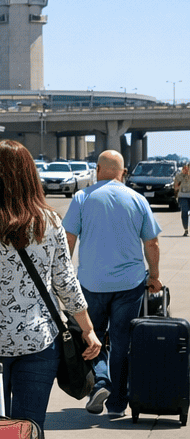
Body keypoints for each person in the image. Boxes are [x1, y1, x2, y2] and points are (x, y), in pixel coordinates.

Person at [0, 141, 101, 428]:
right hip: (39, 342)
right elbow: (65, 282)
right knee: (30, 430)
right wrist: (88, 329)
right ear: (30, 174)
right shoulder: (49, 221)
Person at [63, 150, 163, 420]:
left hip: (91, 283)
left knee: (90, 336)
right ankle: (118, 403)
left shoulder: (82, 198)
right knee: (122, 342)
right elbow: (151, 243)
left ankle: (101, 382)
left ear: (98, 170)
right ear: (123, 171)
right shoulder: (137, 199)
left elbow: (68, 241)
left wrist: (63, 278)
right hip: (129, 284)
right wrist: (154, 276)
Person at [175, 163, 190, 236]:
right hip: (182, 196)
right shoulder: (178, 176)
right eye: (185, 169)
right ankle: (186, 229)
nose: (187, 171)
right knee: (184, 211)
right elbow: (176, 187)